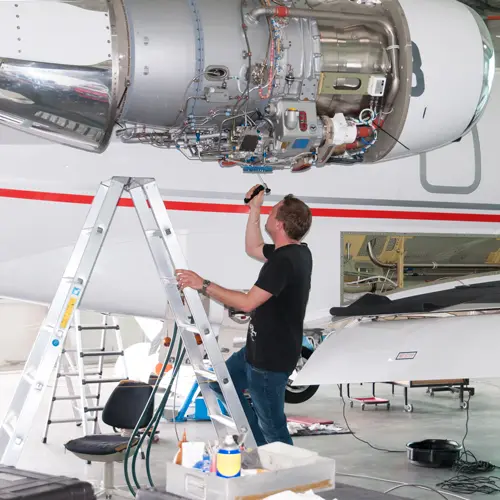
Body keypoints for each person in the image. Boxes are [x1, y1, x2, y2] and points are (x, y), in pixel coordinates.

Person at [175, 184, 313, 446]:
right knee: (221, 385)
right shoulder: (294, 251)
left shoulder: (284, 262)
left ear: (280, 224)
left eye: (272, 212)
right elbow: (253, 247)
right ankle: (259, 447)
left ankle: (281, 465)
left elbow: (248, 303)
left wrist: (203, 284)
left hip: (270, 361)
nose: (268, 214)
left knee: (273, 427)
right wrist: (255, 209)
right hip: (257, 351)